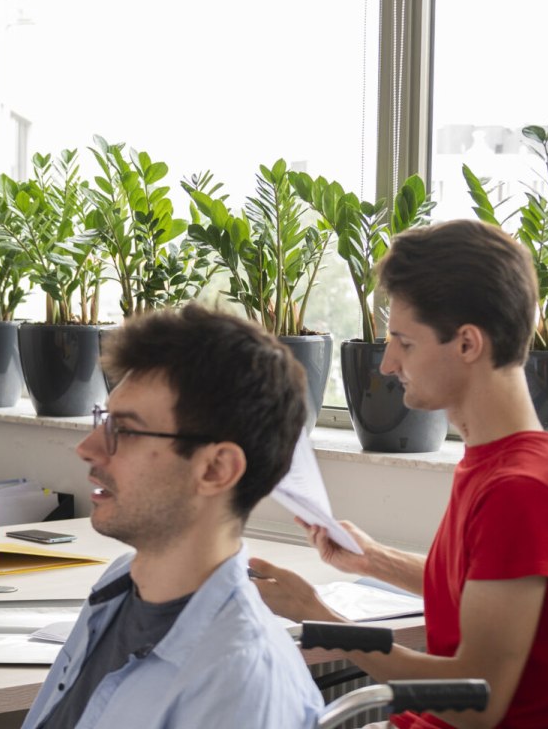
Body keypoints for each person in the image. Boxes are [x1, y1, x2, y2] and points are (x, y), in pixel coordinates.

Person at [251, 220, 548, 728]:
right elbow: (477, 586)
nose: (387, 364)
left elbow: (476, 703)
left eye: (404, 341)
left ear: (467, 344)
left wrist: (320, 620)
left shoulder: (521, 491)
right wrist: (372, 559)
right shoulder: (502, 462)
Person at [21, 305, 322, 729]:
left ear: (215, 469)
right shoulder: (120, 585)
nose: (88, 447)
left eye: (123, 430)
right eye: (104, 420)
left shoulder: (240, 685)